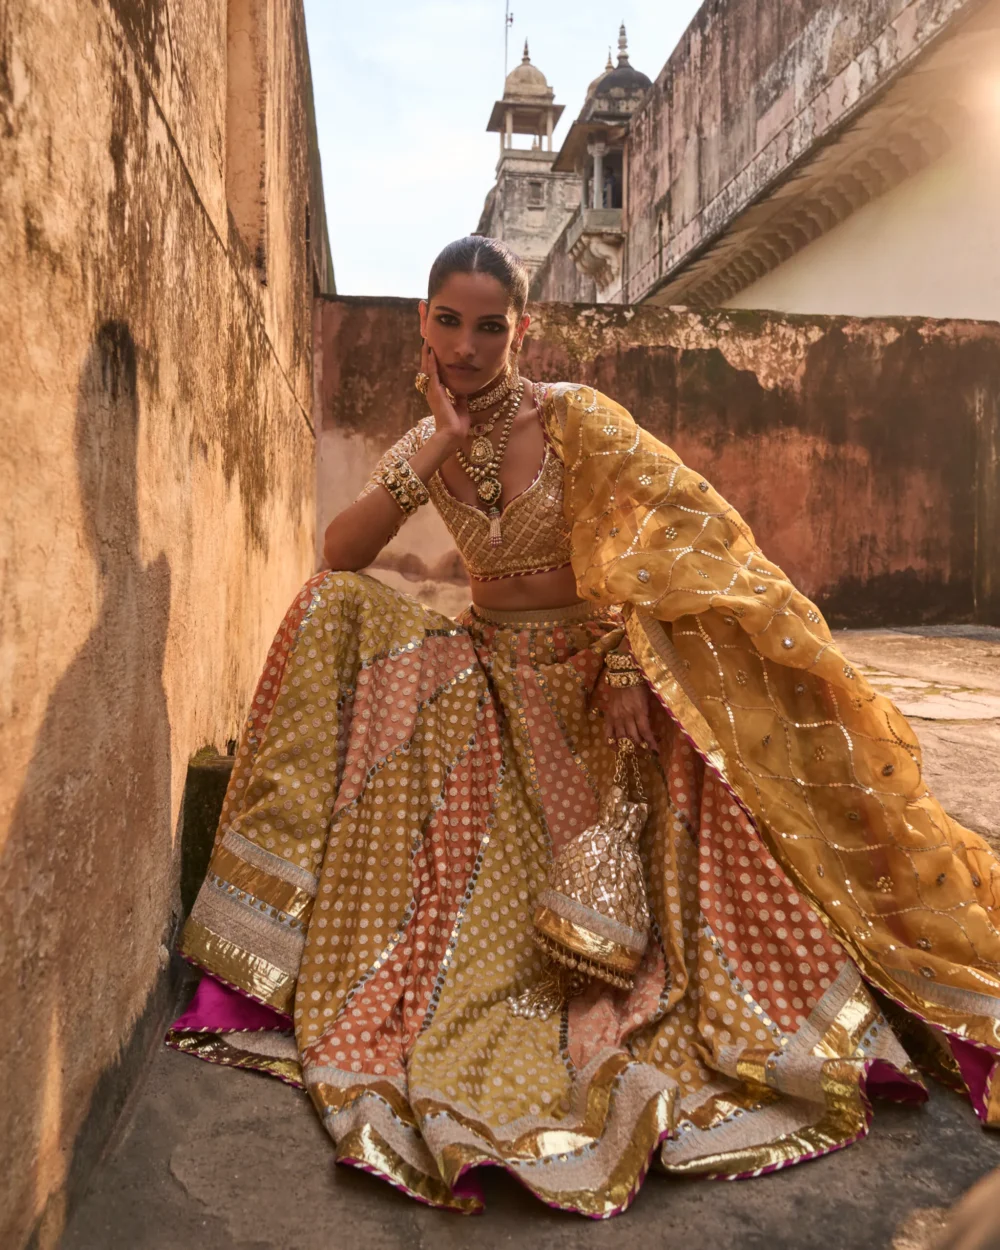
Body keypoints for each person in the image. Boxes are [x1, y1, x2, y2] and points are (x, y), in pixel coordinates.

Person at [168, 236, 1000, 1218]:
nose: (468, 346)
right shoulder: (426, 437)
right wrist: (434, 439)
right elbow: (340, 552)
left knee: (685, 816)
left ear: (523, 329)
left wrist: (617, 659)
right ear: (422, 323)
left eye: (490, 325)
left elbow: (676, 547)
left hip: (596, 669)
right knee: (331, 608)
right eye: (448, 321)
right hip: (487, 663)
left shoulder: (574, 419)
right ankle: (284, 944)